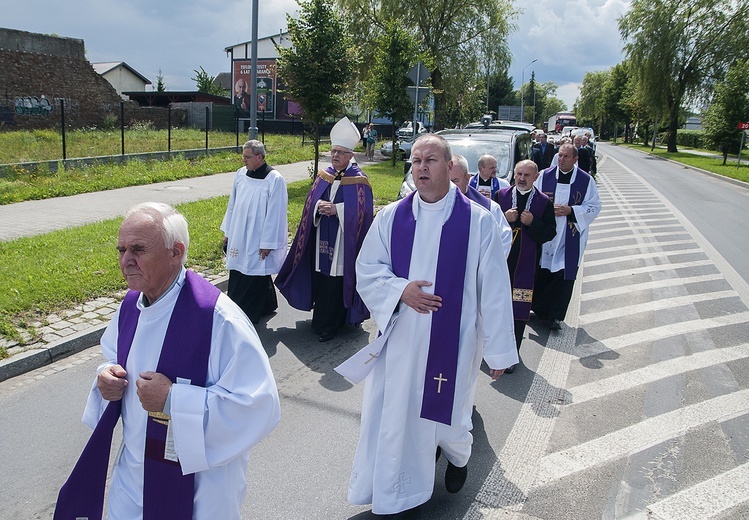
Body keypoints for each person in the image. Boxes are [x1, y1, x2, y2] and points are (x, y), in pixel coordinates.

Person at [55, 202, 280, 520]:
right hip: (132, 480)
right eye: (121, 250)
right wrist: (105, 375)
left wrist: (174, 399)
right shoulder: (132, 304)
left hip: (200, 490)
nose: (125, 261)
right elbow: (112, 356)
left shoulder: (218, 318)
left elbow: (259, 406)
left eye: (138, 249)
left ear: (176, 251)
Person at [346, 134, 518, 517]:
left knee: (449, 420)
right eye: (415, 160)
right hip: (401, 339)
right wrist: (400, 290)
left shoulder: (477, 222)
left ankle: (458, 458)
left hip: (452, 344)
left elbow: (493, 288)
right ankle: (395, 492)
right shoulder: (392, 217)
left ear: (449, 166)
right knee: (391, 415)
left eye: (431, 160)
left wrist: (500, 350)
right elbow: (368, 269)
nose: (421, 167)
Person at [275, 116, 374, 342]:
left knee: (336, 279)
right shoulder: (324, 175)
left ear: (351, 155)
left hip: (342, 242)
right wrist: (319, 207)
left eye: (340, 152)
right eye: (333, 151)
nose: (335, 156)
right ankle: (321, 319)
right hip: (322, 237)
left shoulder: (359, 181)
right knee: (322, 277)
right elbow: (310, 204)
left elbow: (364, 213)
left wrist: (338, 210)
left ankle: (332, 324)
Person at [493, 160, 556, 371]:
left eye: (527, 175)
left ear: (536, 177)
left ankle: (511, 356)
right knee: (495, 308)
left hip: (525, 268)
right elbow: (484, 226)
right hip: (499, 263)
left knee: (518, 311)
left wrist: (533, 223)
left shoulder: (543, 202)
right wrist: (503, 217)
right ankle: (491, 353)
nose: (521, 178)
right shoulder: (500, 197)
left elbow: (549, 233)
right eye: (519, 173)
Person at [532, 144, 601, 330]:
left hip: (570, 234)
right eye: (560, 155)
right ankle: (539, 310)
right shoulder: (545, 176)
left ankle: (555, 316)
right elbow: (534, 198)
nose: (561, 159)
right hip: (548, 232)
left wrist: (571, 210)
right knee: (543, 270)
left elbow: (594, 207)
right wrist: (547, 209)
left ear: (575, 159)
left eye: (566, 157)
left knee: (562, 275)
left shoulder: (585, 181)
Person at [221, 140, 288, 324]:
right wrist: (228, 231)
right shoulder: (241, 174)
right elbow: (232, 204)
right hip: (239, 233)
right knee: (239, 269)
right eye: (243, 156)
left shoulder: (274, 179)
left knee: (255, 272)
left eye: (247, 157)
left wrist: (268, 243)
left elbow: (276, 213)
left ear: (259, 157)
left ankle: (245, 314)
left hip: (258, 238)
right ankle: (266, 304)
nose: (243, 160)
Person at [450, 154, 513, 258]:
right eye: (446, 180)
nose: (450, 186)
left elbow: (503, 241)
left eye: (455, 181)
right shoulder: (433, 203)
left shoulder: (489, 208)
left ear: (467, 178)